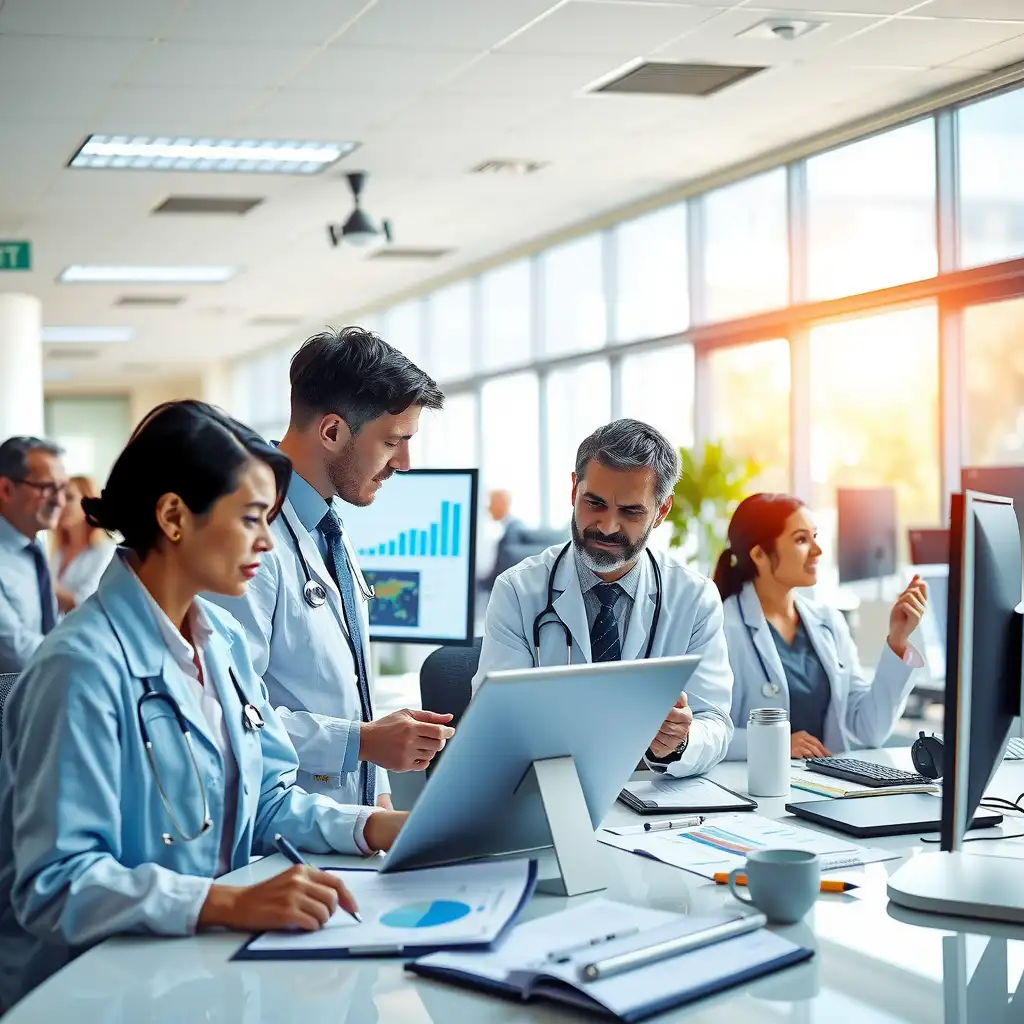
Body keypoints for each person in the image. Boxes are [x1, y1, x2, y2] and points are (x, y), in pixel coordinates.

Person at [0, 401, 407, 1011]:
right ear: (172, 516)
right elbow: (56, 884)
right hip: (99, 989)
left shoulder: (223, 641)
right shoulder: (79, 668)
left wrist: (373, 828)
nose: (268, 543)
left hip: (205, 972)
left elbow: (264, 801)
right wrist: (225, 902)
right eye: (250, 519)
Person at [209, 327, 453, 812]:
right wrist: (361, 742)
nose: (404, 463)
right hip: (275, 836)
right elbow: (228, 715)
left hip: (347, 826)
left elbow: (349, 693)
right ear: (332, 432)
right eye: (392, 442)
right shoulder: (250, 540)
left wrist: (378, 798)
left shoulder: (327, 527)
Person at [472, 418, 735, 777]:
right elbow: (494, 723)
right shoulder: (518, 592)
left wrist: (681, 741)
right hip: (548, 792)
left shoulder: (695, 598)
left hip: (650, 799)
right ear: (573, 490)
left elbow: (715, 721)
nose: (608, 526)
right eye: (594, 503)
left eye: (630, 511)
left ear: (661, 511)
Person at [713, 493, 928, 761]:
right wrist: (775, 743)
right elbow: (704, 731)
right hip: (752, 787)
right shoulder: (722, 627)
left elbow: (869, 728)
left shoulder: (828, 622)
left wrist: (897, 640)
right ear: (759, 554)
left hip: (826, 787)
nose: (818, 550)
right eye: (802, 539)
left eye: (815, 536)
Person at [0, 436, 68, 674]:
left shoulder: (34, 549)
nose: (60, 501)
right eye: (47, 487)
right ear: (6, 489)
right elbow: (14, 651)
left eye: (63, 488)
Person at [51, 474, 116, 614]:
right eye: (60, 498)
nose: (61, 504)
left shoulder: (105, 551)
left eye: (69, 497)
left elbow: (85, 601)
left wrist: (45, 584)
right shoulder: (59, 551)